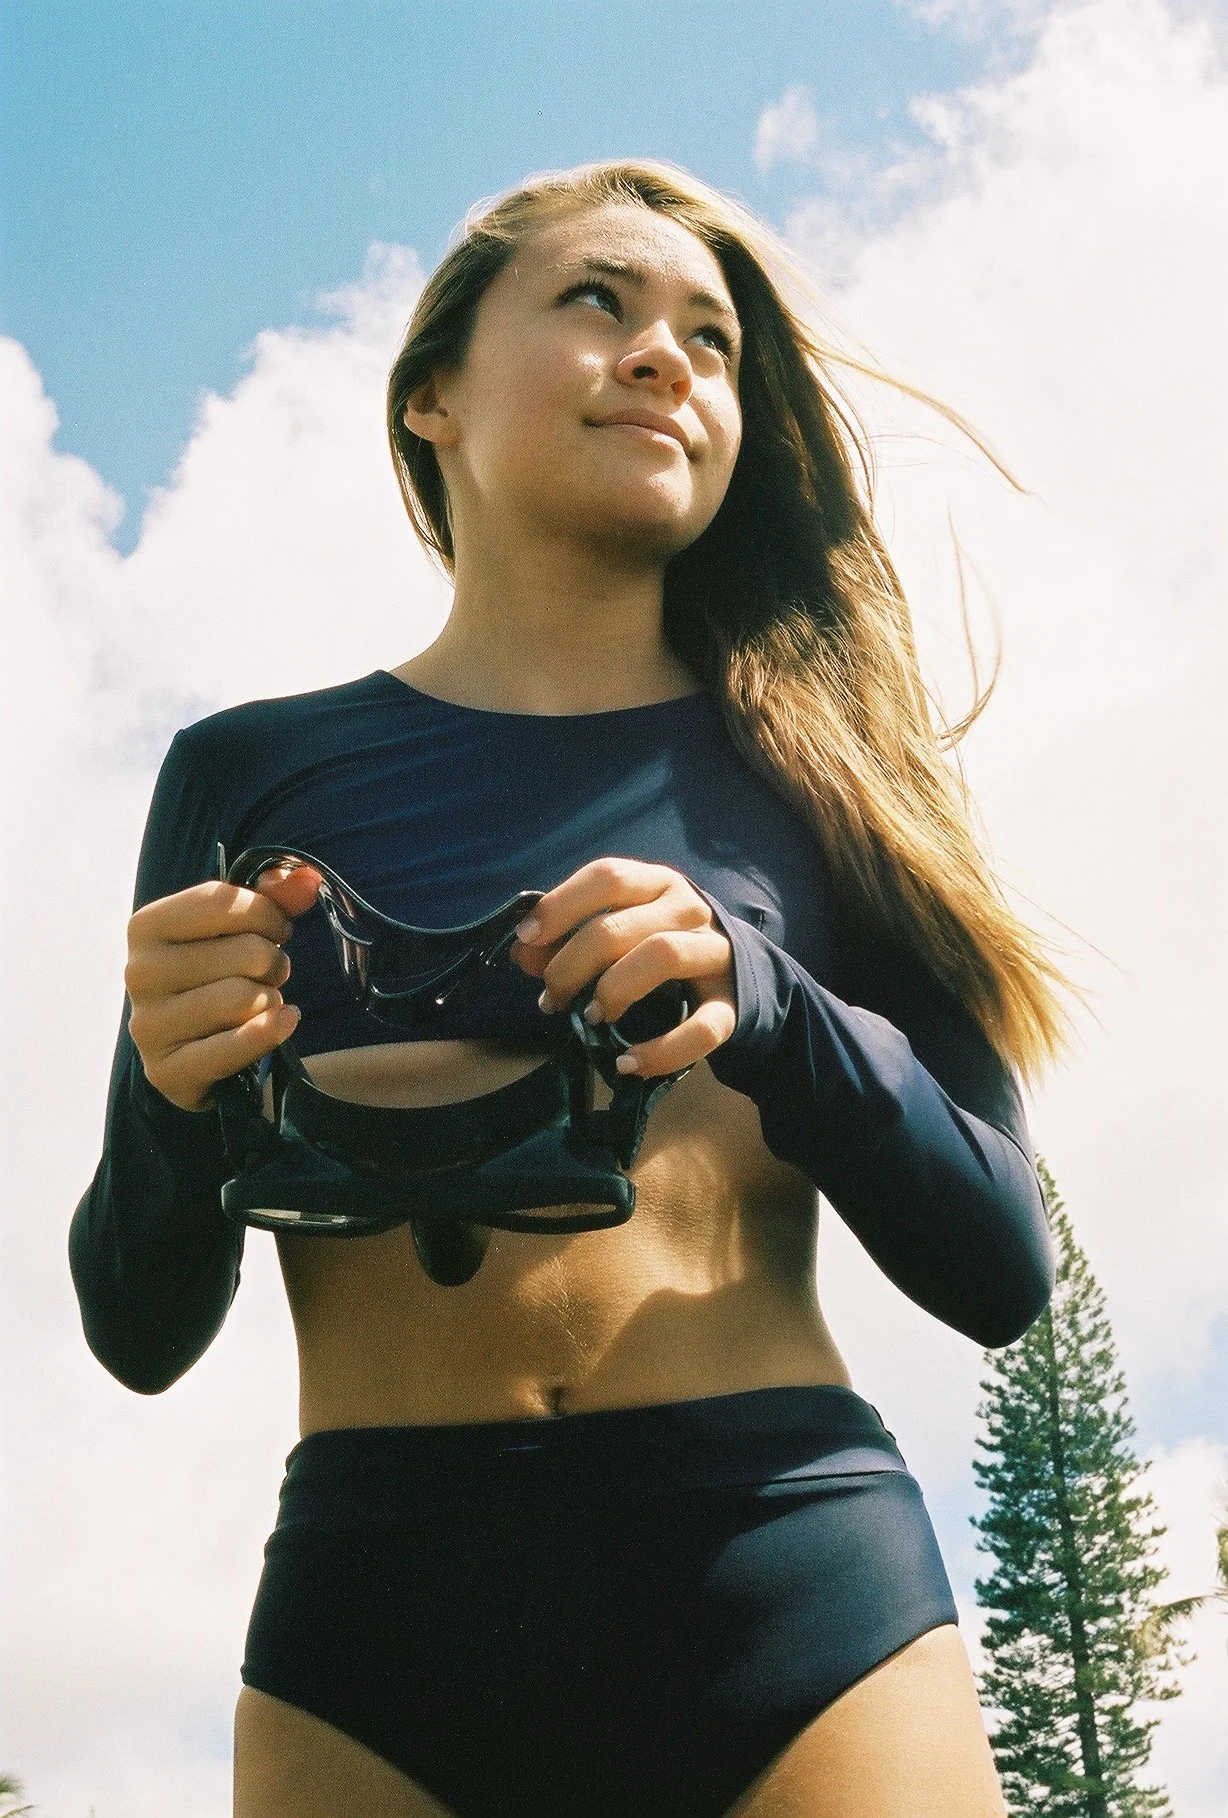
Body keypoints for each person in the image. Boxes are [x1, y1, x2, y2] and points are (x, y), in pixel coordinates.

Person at [70, 161, 1071, 1818]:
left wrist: (767, 998)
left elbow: (999, 1264)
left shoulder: (832, 784)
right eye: (601, 300)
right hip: (377, 1614)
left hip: (791, 1579)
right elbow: (138, 1323)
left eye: (711, 338)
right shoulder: (243, 775)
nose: (668, 353)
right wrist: (178, 1101)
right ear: (432, 395)